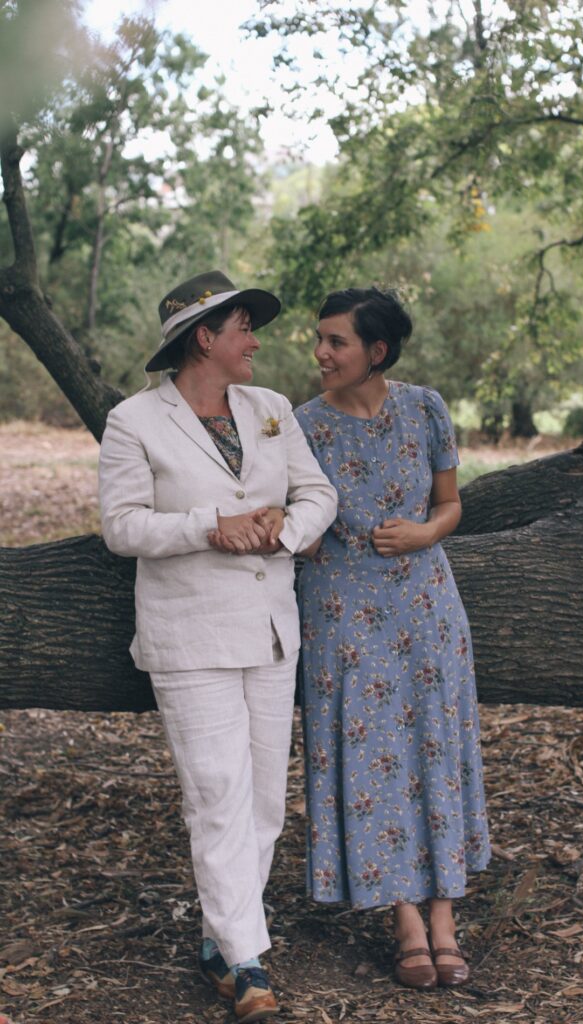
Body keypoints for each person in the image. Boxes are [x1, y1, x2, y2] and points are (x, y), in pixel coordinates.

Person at [98, 270, 337, 1023]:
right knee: (217, 796)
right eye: (243, 329)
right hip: (189, 636)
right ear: (205, 337)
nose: (255, 341)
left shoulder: (270, 410)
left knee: (264, 802)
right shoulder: (133, 421)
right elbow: (123, 527)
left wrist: (284, 530)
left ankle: (218, 940)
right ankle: (245, 960)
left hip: (270, 631)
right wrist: (209, 525)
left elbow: (318, 494)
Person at [294, 287, 490, 990]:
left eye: (335, 342)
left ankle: (444, 917)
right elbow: (295, 522)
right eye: (318, 339)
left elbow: (449, 503)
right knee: (368, 754)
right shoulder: (301, 424)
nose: (319, 353)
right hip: (342, 612)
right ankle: (403, 918)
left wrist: (425, 532)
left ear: (376, 351)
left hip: (426, 603)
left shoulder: (425, 407)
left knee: (434, 746)